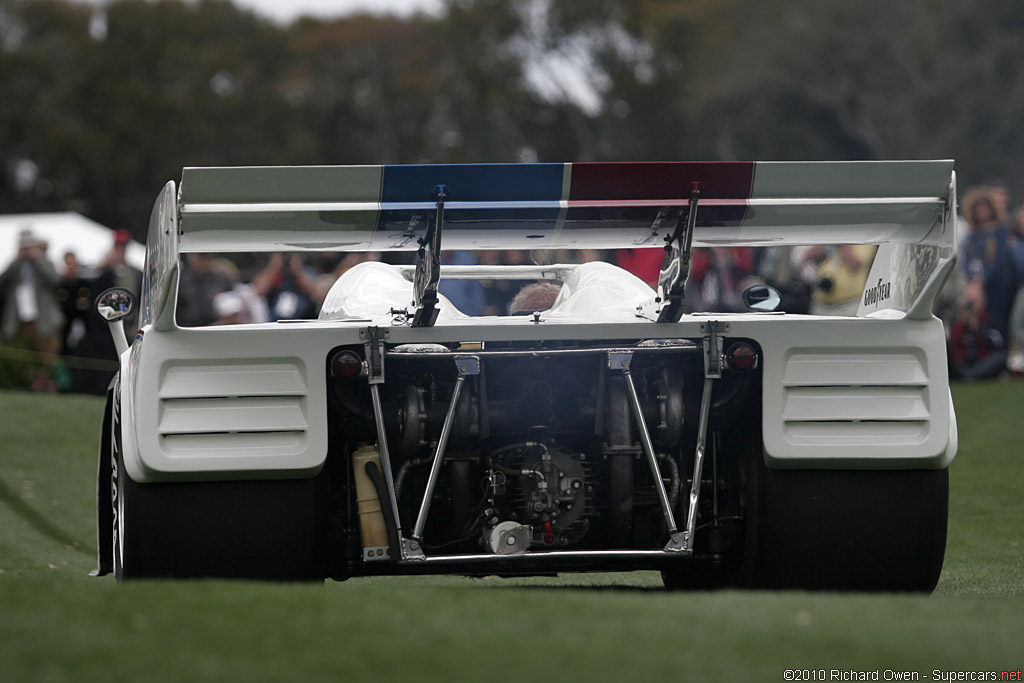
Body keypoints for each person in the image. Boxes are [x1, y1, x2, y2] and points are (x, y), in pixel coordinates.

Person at [0, 229, 65, 391]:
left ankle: (46, 385)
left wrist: (38, 258)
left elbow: (55, 280)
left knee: (47, 356)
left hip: (43, 321)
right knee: (22, 355)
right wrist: (15, 260)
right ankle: (26, 384)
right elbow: (3, 282)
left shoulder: (45, 262)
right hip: (20, 321)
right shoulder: (16, 267)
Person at [959, 187, 1017, 343]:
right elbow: (964, 260)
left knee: (997, 319)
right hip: (976, 286)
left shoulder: (1000, 231)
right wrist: (973, 281)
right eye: (978, 206)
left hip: (997, 286)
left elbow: (1000, 258)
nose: (981, 210)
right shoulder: (972, 235)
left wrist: (983, 280)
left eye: (985, 206)